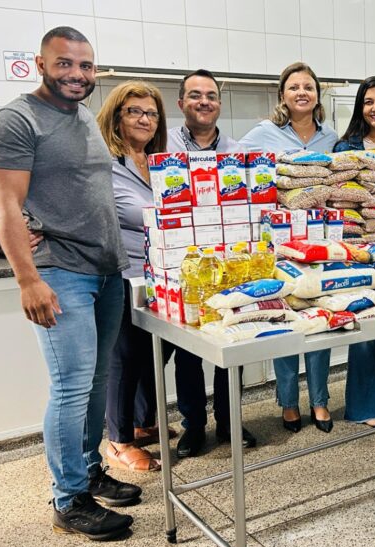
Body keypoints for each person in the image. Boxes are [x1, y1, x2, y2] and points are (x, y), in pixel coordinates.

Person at [0, 26, 139, 540]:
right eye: (65, 64)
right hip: (59, 273)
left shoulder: (84, 118)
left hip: (106, 272)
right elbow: (2, 203)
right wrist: (27, 279)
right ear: (41, 64)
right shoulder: (15, 120)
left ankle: (88, 471)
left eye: (86, 66)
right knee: (71, 388)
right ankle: (68, 500)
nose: (77, 74)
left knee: (94, 384)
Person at [240, 62, 338, 433]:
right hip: (280, 242)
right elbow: (240, 166)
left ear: (317, 94)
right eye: (294, 87)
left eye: (308, 87)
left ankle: (320, 400)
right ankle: (288, 401)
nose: (301, 93)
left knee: (318, 316)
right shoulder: (264, 133)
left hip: (320, 240)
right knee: (284, 317)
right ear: (282, 95)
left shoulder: (329, 137)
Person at [167, 69, 256, 459]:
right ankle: (193, 426)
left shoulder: (236, 152)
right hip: (184, 264)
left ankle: (228, 420)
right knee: (188, 351)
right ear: (181, 102)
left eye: (212, 96)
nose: (204, 102)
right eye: (196, 95)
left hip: (230, 263)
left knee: (230, 341)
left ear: (220, 102)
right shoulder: (165, 147)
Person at [97, 80, 170, 471]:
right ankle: (119, 440)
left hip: (162, 274)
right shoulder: (104, 162)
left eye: (151, 113)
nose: (144, 119)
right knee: (125, 357)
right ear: (116, 116)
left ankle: (143, 423)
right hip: (123, 274)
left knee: (154, 353)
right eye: (135, 111)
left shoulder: (159, 162)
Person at [334, 76, 375, 427]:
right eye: (369, 102)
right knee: (363, 319)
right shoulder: (346, 147)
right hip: (358, 245)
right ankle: (364, 405)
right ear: (360, 107)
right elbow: (340, 199)